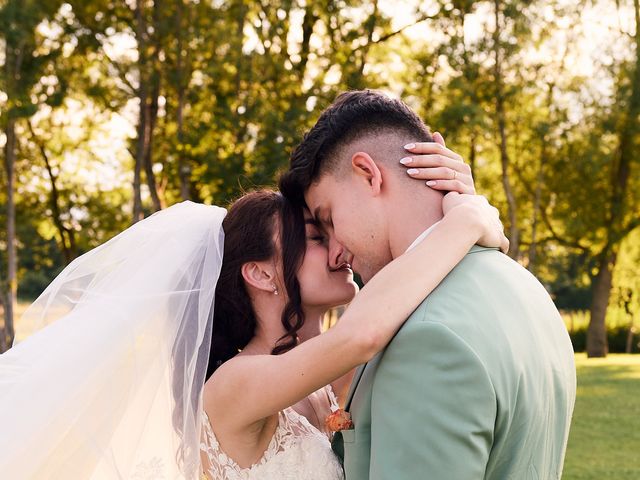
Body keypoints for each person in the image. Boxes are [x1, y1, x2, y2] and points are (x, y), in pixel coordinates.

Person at [0, 151, 504, 479]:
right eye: (315, 238)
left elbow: (388, 299)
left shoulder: (316, 381)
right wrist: (467, 221)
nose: (339, 250)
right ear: (261, 274)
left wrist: (441, 201)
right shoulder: (232, 384)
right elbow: (363, 333)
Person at [280, 89, 577, 480]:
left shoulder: (426, 337)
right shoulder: (524, 287)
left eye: (329, 219)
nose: (335, 250)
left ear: (368, 173)